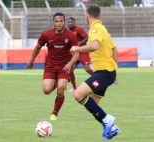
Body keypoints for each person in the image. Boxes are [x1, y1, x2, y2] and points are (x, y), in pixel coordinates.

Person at [70, 4, 120, 140]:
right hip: (106, 72)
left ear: (87, 15)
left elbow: (94, 46)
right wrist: (113, 72)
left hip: (104, 72)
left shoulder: (95, 29)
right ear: (100, 16)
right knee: (91, 104)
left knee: (78, 94)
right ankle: (112, 127)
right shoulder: (103, 29)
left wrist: (77, 49)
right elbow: (115, 51)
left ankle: (108, 119)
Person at [27, 12, 79, 121]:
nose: (59, 23)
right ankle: (60, 83)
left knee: (60, 90)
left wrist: (70, 64)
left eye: (61, 21)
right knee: (46, 91)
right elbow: (37, 47)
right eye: (56, 21)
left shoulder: (70, 35)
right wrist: (31, 60)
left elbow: (77, 53)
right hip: (51, 66)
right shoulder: (46, 34)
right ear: (53, 23)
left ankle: (54, 113)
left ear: (64, 22)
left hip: (64, 67)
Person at [67, 17, 93, 92]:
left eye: (71, 22)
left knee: (87, 69)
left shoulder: (78, 29)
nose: (70, 23)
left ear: (74, 23)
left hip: (83, 51)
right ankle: (74, 87)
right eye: (69, 22)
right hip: (75, 53)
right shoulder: (68, 32)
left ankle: (100, 79)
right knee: (70, 69)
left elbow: (87, 37)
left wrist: (80, 43)